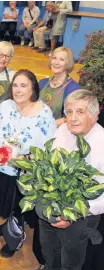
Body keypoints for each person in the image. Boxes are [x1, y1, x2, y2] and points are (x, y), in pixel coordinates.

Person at [0, 69, 56, 258]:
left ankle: (14, 239)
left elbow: (46, 151)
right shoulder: (5, 106)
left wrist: (24, 161)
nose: (18, 90)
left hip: (25, 175)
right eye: (15, 85)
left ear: (33, 88)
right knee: (8, 205)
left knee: (18, 208)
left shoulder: (44, 115)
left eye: (23, 85)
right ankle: (7, 225)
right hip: (2, 169)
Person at [40, 90, 104, 270]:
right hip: (51, 205)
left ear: (94, 115)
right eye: (69, 112)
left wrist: (72, 214)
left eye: (80, 112)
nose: (73, 118)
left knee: (71, 258)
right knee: (49, 247)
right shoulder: (62, 131)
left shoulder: (102, 144)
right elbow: (47, 160)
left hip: (82, 215)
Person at [39, 47, 80, 127]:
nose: (56, 62)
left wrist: (49, 125)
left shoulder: (73, 89)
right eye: (54, 58)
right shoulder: (42, 83)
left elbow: (71, 117)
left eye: (61, 59)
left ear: (68, 63)